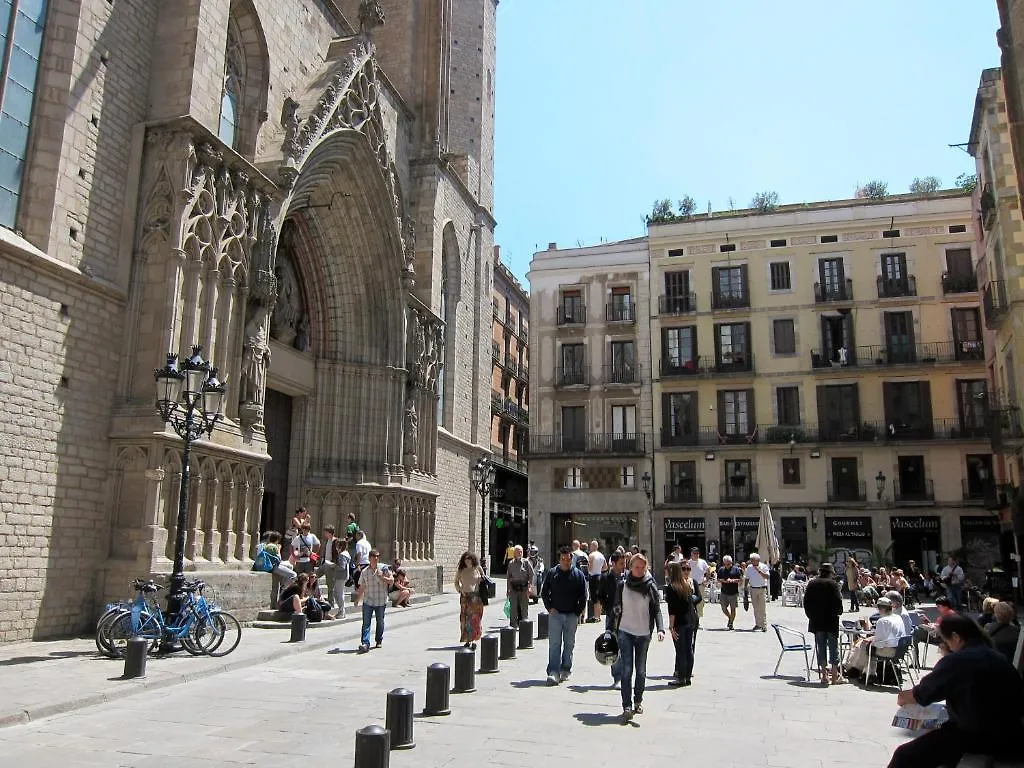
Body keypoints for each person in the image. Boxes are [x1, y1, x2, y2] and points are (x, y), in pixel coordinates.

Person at [887, 614, 1024, 768]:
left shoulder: (959, 660)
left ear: (955, 637)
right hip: (1010, 732)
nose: (946, 646)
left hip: (979, 736)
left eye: (945, 641)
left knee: (904, 755)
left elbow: (922, 694)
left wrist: (902, 697)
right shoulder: (996, 656)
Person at [608, 552, 665, 720]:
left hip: (643, 634)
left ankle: (638, 701)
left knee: (641, 670)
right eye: (636, 567)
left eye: (642, 567)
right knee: (627, 669)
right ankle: (627, 705)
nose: (639, 570)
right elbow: (614, 609)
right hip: (625, 631)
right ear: (630, 567)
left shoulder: (650, 586)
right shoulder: (622, 585)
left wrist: (660, 629)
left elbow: (657, 610)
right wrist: (609, 630)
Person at [540, 545, 587, 685]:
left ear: (571, 560)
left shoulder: (578, 575)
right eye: (563, 559)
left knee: (569, 644)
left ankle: (566, 669)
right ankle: (553, 671)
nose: (565, 562)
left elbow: (583, 595)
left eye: (568, 560)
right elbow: (544, 592)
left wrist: (578, 612)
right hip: (556, 614)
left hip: (571, 615)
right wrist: (549, 608)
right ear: (559, 559)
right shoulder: (552, 573)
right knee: (554, 643)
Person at [803, 562, 844, 685]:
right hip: (831, 621)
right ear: (831, 573)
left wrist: (811, 615)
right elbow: (838, 601)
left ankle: (824, 676)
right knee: (833, 647)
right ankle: (835, 676)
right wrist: (838, 612)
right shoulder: (833, 584)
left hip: (817, 621)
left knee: (820, 647)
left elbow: (806, 602)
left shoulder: (812, 583)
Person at [664, 561, 699, 686]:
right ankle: (687, 677)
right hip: (690, 620)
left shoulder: (672, 587)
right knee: (688, 649)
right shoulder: (686, 585)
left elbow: (672, 610)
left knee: (680, 650)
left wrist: (671, 626)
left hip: (679, 622)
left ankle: (681, 678)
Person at [356, 550, 393, 653]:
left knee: (380, 622)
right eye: (373, 556)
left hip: (381, 600)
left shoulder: (384, 569)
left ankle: (378, 640)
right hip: (368, 600)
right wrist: (357, 599)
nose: (375, 558)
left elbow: (391, 581)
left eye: (377, 556)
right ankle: (365, 643)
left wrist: (382, 577)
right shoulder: (364, 572)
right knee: (366, 623)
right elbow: (362, 586)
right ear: (369, 558)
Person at [601, 550, 628, 686]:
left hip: (627, 615)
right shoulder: (606, 577)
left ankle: (626, 676)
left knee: (626, 645)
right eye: (621, 563)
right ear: (613, 563)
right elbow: (600, 595)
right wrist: (608, 608)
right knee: (613, 645)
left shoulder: (628, 576)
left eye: (625, 563)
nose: (623, 566)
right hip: (612, 616)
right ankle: (617, 677)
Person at [454, 552, 484, 648]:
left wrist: (481, 580)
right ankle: (467, 639)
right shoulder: (461, 570)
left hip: (476, 597)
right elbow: (456, 582)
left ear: (473, 559)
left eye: (469, 558)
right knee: (465, 619)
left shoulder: (477, 568)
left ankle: (473, 639)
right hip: (465, 597)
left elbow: (484, 578)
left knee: (475, 618)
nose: (467, 561)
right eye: (465, 559)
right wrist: (460, 590)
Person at [506, 545, 535, 627]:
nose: (519, 553)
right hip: (513, 589)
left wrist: (530, 587)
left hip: (524, 588)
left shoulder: (526, 562)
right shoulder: (511, 563)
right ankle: (513, 626)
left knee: (524, 608)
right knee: (513, 609)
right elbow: (508, 577)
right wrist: (508, 589)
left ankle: (524, 626)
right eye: (518, 551)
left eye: (521, 552)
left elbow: (531, 575)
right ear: (514, 553)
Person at [744, 553, 770, 631]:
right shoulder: (749, 567)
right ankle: (758, 624)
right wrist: (745, 587)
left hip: (762, 589)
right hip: (753, 589)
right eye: (751, 560)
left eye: (753, 560)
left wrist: (759, 571)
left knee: (762, 608)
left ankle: (764, 625)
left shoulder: (764, 566)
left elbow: (767, 577)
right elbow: (747, 578)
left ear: (758, 560)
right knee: (756, 608)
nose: (751, 562)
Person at [717, 555, 742, 630]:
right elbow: (718, 579)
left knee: (733, 609)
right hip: (724, 591)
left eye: (729, 564)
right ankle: (730, 617)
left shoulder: (736, 570)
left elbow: (740, 579)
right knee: (723, 608)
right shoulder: (721, 569)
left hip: (733, 592)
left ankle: (731, 623)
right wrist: (724, 581)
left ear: (731, 563)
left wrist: (733, 580)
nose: (727, 565)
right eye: (725, 564)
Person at [318, 525, 341, 609]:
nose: (324, 534)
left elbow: (337, 553)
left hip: (331, 565)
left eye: (326, 532)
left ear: (330, 533)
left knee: (330, 585)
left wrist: (334, 564)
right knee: (314, 576)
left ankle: (331, 602)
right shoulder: (327, 541)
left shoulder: (335, 541)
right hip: (325, 564)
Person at [687, 548, 710, 625]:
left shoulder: (702, 562)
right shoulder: (688, 563)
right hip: (690, 585)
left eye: (697, 553)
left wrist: (706, 580)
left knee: (701, 602)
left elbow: (708, 570)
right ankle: (692, 617)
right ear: (691, 554)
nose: (696, 555)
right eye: (694, 553)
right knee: (690, 602)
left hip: (700, 585)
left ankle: (697, 619)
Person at [586, 540, 607, 622]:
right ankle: (598, 615)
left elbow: (589, 567)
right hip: (600, 575)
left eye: (591, 545)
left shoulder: (591, 555)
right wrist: (599, 569)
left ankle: (596, 616)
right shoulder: (601, 555)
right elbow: (605, 567)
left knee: (594, 597)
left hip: (593, 576)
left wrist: (588, 572)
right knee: (599, 597)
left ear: (593, 546)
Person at [333, 537, 351, 619]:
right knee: (338, 593)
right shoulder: (346, 553)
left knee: (338, 594)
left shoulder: (342, 555)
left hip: (341, 576)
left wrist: (333, 566)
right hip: (343, 576)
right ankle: (341, 611)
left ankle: (341, 611)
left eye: (337, 545)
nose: (336, 547)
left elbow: (342, 567)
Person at [352, 529, 372, 596]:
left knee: (356, 575)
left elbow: (359, 553)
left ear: (358, 536)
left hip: (362, 563)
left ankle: (358, 591)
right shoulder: (368, 543)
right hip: (368, 563)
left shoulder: (359, 543)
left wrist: (358, 564)